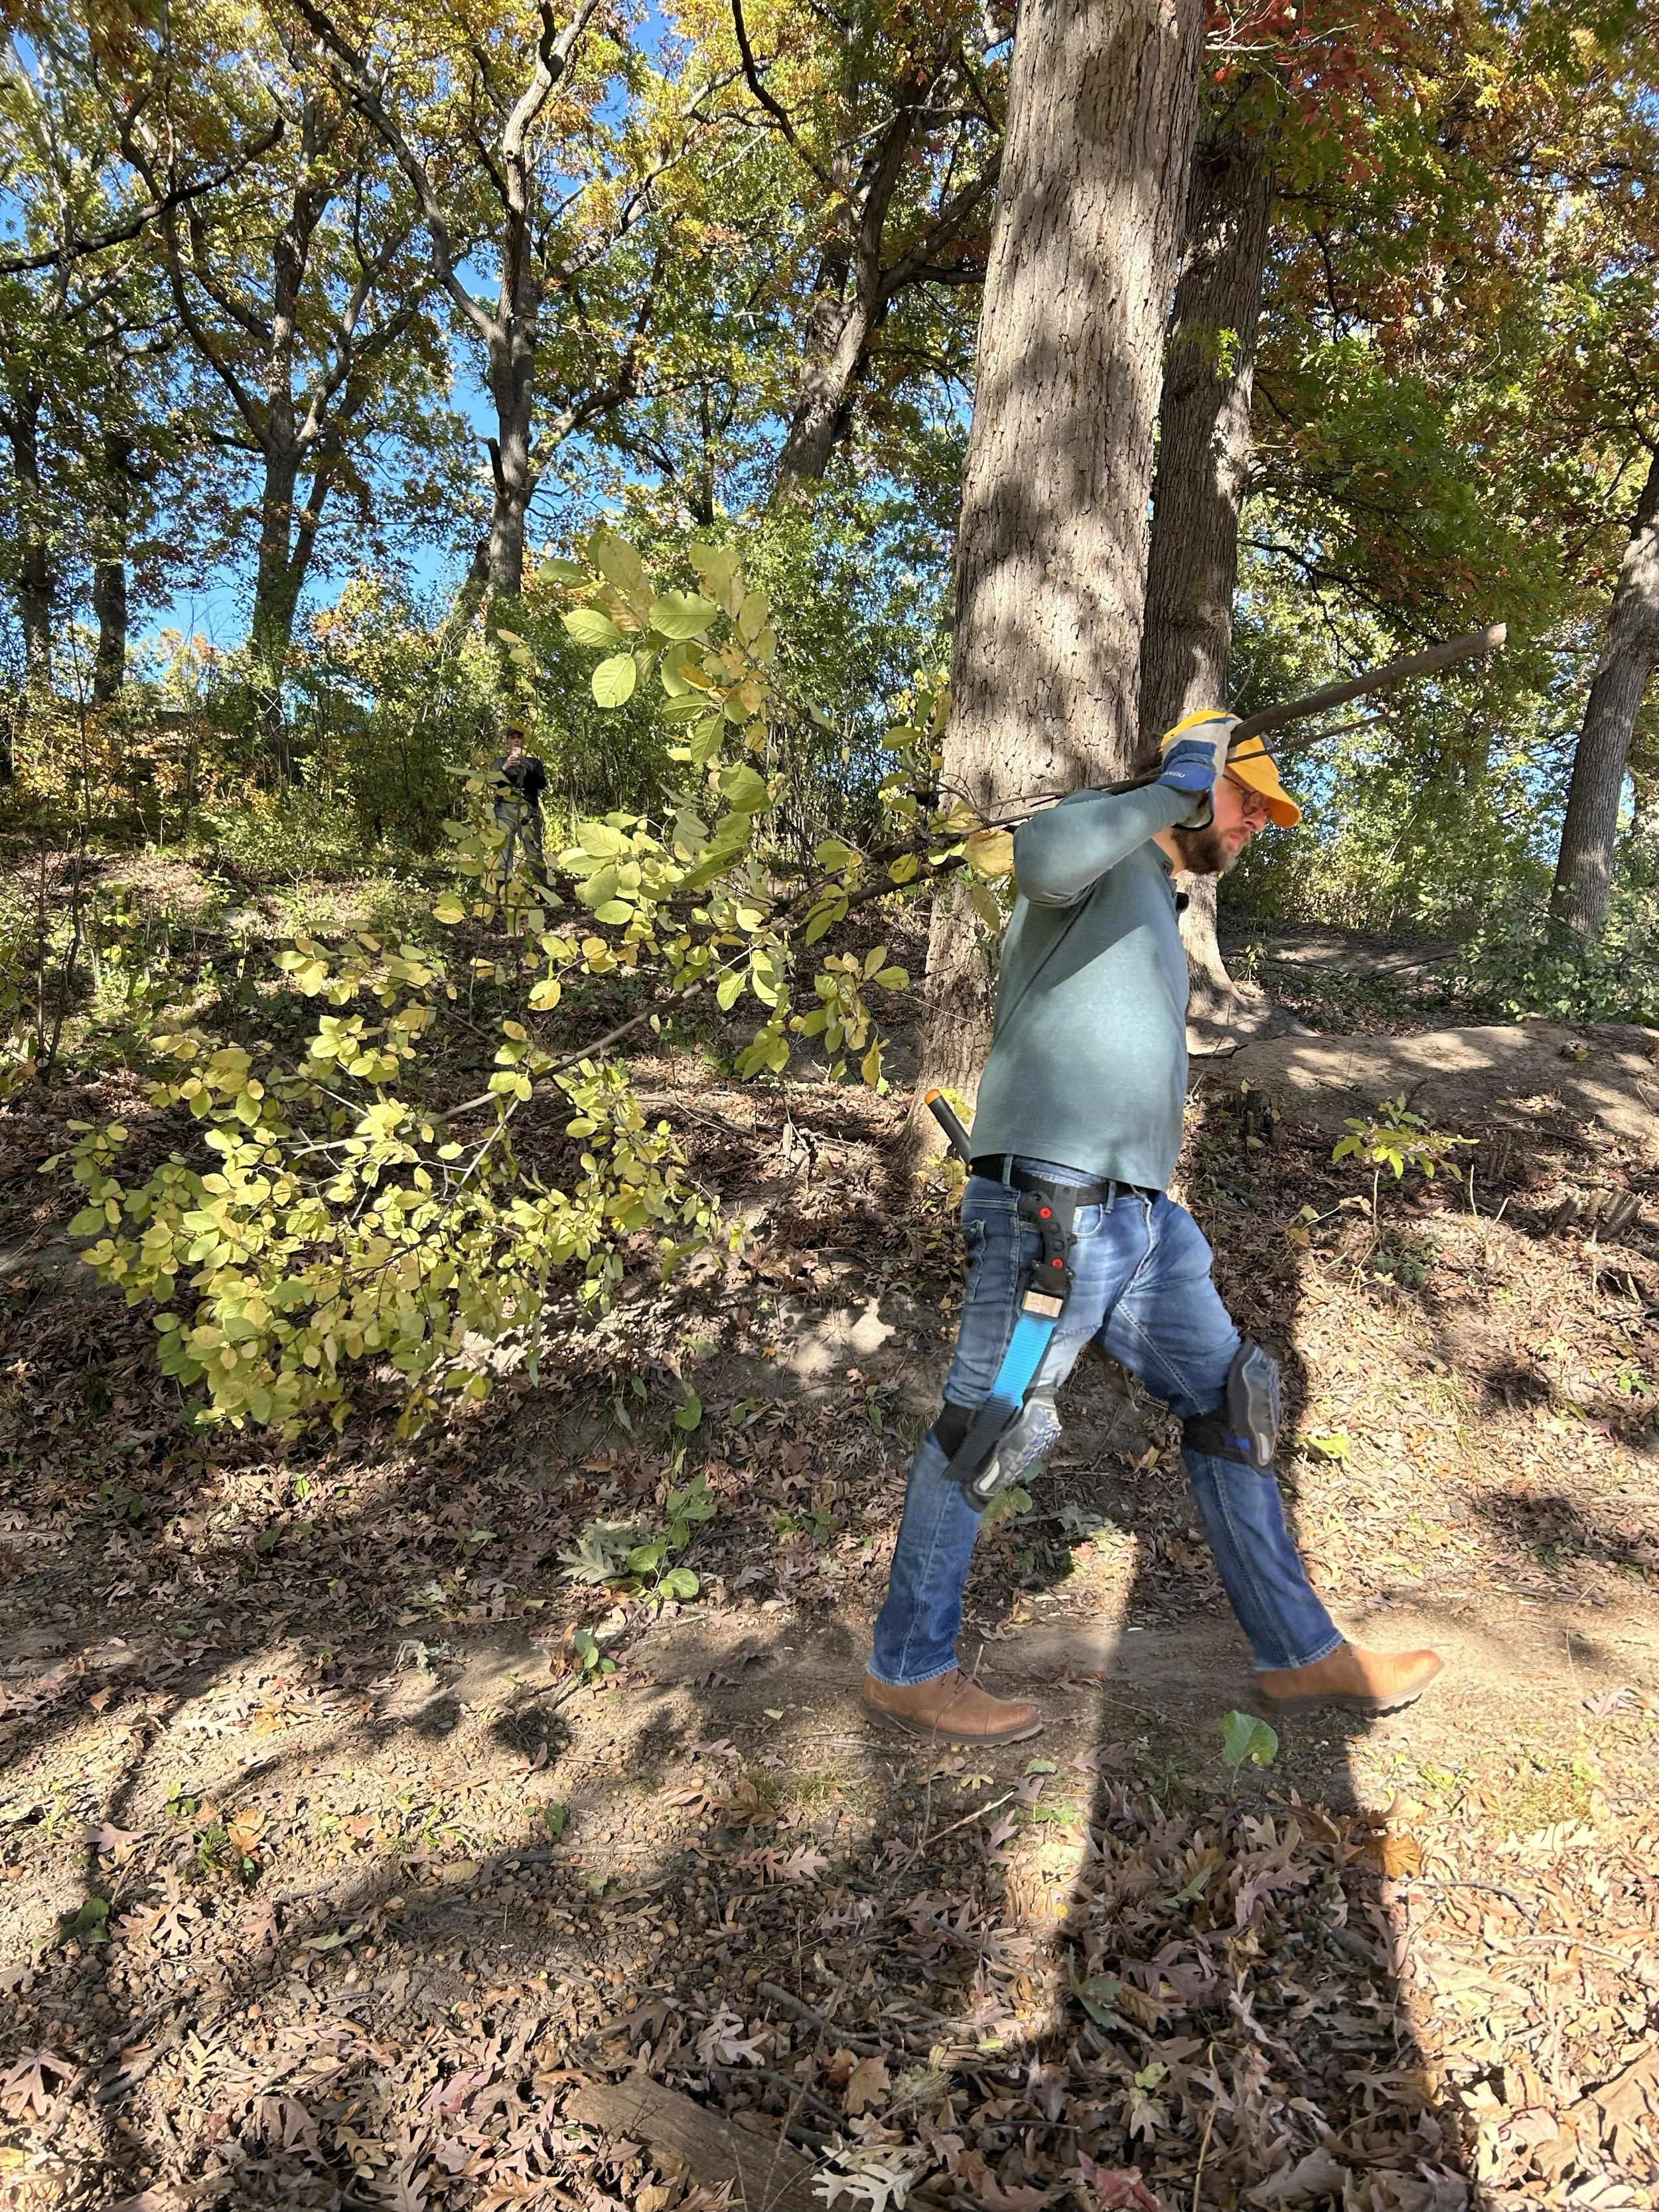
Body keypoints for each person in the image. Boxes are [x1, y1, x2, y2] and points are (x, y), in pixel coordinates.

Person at [864, 711, 1445, 1743]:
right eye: (1248, 801)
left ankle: (1300, 1654)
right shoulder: (1101, 839)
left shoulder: (1155, 897)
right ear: (1192, 784)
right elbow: (1040, 860)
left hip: (1138, 1219)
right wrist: (1169, 788)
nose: (1259, 824)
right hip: (1052, 1204)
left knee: (1233, 1402)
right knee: (989, 1423)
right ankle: (909, 1667)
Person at [492, 724, 549, 890]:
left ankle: (545, 894)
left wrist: (527, 766)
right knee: (504, 854)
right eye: (513, 737)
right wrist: (505, 768)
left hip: (528, 810)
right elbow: (492, 782)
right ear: (507, 741)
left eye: (519, 737)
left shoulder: (534, 762)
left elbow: (542, 784)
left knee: (535, 854)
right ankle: (503, 895)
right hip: (504, 809)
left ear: (524, 741)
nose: (516, 740)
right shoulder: (500, 762)